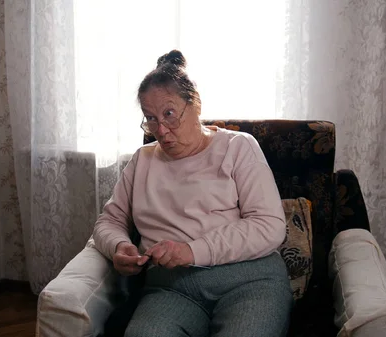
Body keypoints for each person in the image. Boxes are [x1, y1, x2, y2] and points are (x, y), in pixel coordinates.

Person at [94, 50, 293, 337]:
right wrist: (118, 246)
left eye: (170, 114)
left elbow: (269, 225)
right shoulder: (142, 160)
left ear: (195, 105)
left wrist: (191, 251)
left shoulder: (238, 147)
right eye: (150, 118)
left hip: (249, 280)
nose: (160, 130)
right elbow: (109, 221)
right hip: (171, 288)